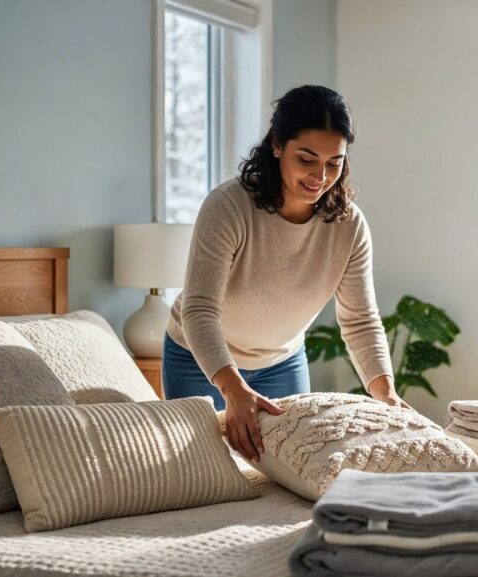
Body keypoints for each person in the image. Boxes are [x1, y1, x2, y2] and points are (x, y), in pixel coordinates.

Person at [162, 85, 409, 465]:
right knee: (201, 471)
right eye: (306, 159)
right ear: (277, 145)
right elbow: (199, 310)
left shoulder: (349, 227)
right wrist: (233, 388)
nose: (320, 176)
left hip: (282, 363)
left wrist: (386, 394)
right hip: (199, 361)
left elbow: (360, 321)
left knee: (293, 470)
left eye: (334, 162)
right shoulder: (228, 208)